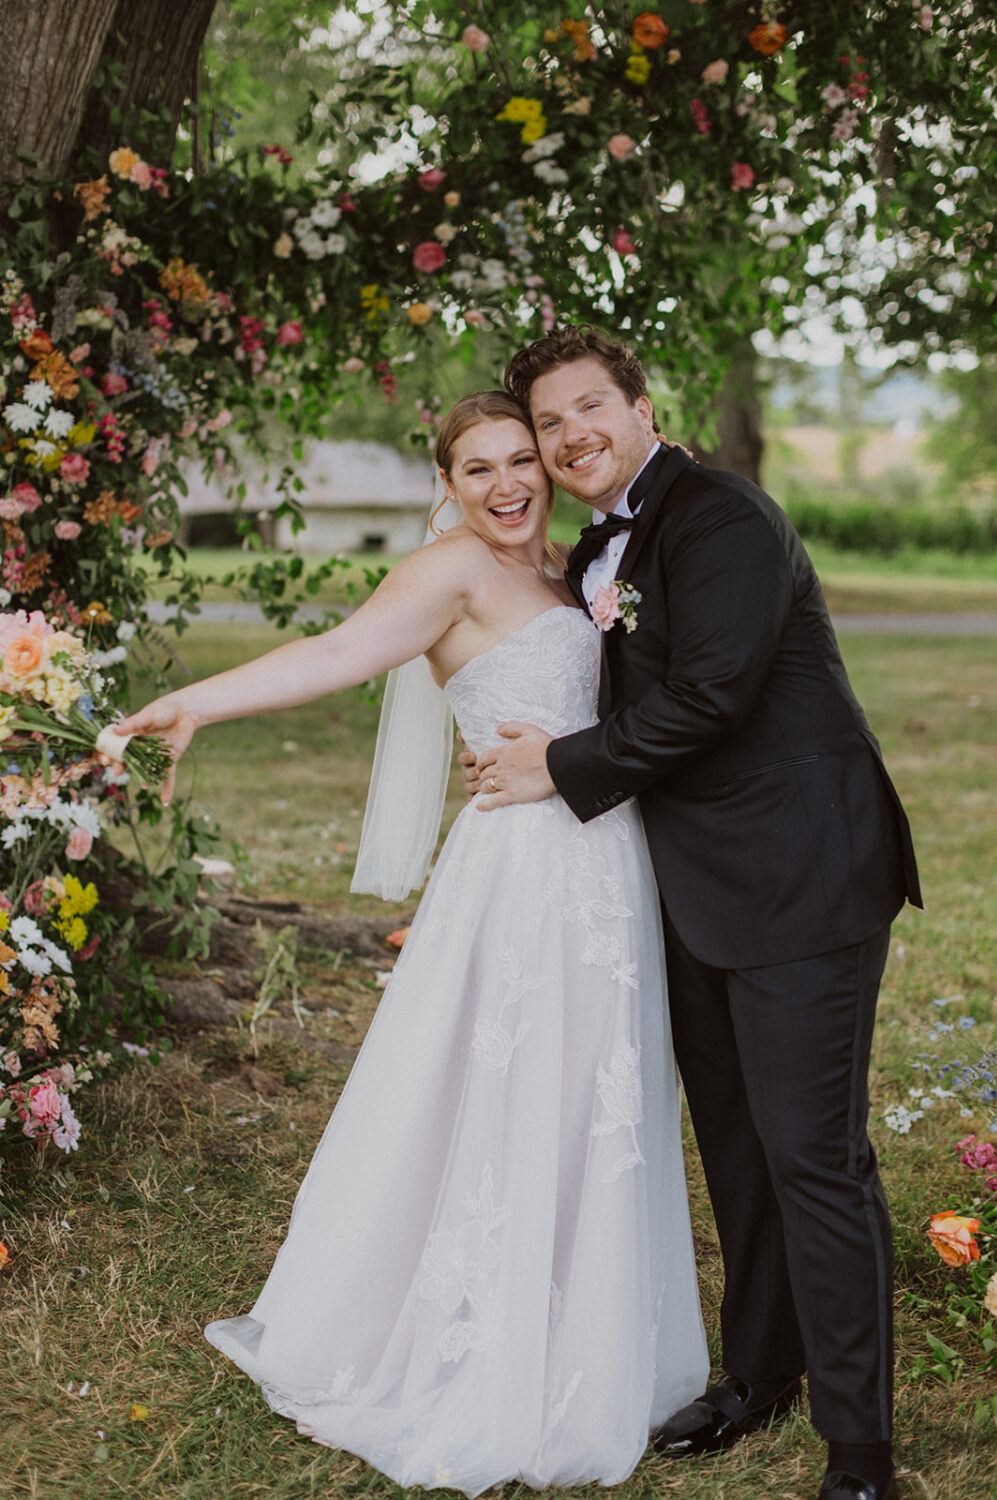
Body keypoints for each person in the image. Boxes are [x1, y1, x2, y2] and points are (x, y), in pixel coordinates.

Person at [116, 390, 709, 1494]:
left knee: (598, 1096)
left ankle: (585, 1330)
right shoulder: (449, 574)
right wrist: (197, 699)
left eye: (518, 460)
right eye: (474, 470)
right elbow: (337, 651)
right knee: (512, 1093)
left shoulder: (572, 573)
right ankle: (479, 1344)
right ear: (446, 486)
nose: (503, 486)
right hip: (524, 875)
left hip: (609, 866)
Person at [467, 328, 922, 1500]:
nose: (571, 436)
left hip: (801, 873)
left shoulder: (721, 518)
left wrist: (561, 766)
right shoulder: (597, 552)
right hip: (690, 888)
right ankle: (756, 1377)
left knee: (814, 1158)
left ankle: (859, 1451)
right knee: (736, 1146)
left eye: (588, 409)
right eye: (550, 422)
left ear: (639, 405)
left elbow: (714, 694)